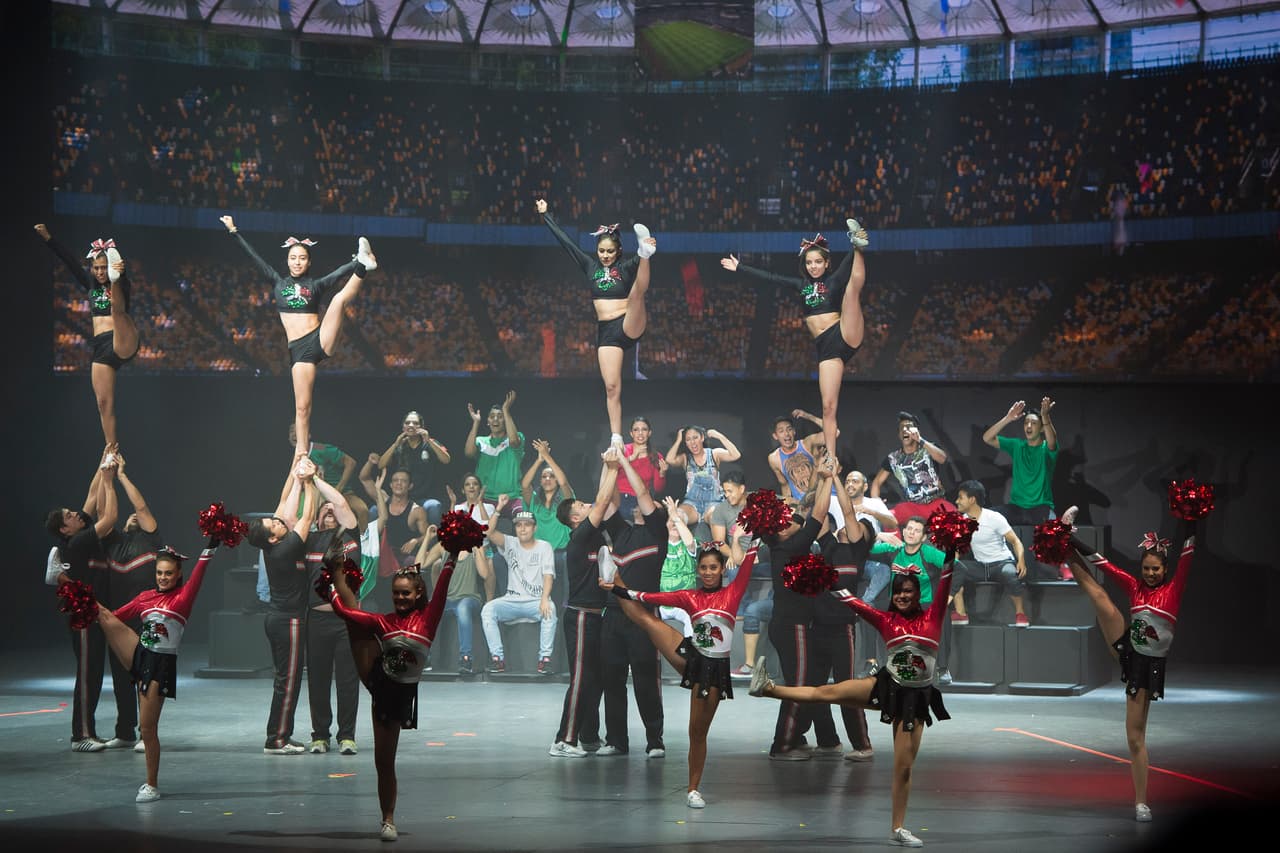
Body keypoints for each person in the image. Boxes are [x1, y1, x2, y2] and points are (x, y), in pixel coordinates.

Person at [749, 558, 955, 848]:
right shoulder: (886, 620)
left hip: (914, 700)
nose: (903, 596)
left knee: (904, 767)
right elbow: (852, 601)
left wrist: (950, 552)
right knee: (827, 693)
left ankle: (897, 828)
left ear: (917, 593)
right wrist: (825, 581)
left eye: (908, 591)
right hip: (886, 687)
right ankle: (767, 688)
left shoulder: (933, 618)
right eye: (898, 592)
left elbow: (946, 581)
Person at [601, 537, 762, 809]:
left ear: (722, 569)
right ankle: (613, 571)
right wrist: (619, 590)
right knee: (646, 619)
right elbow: (650, 598)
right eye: (703, 568)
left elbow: (747, 564)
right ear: (697, 570)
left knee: (697, 732)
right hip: (690, 656)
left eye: (713, 567)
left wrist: (756, 535)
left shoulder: (733, 593)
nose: (708, 572)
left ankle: (693, 788)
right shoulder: (691, 596)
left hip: (713, 670)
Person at [1060, 505, 1196, 823]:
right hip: (1128, 651)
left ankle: (1141, 802)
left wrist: (1191, 517)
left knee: (1135, 737)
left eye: (1155, 570)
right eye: (1146, 569)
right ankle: (1063, 546)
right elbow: (1103, 564)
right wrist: (1071, 541)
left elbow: (1188, 555)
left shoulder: (1173, 590)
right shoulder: (1134, 587)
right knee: (1102, 600)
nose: (1150, 574)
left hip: (1148, 667)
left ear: (1164, 570)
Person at [323, 541, 458, 842]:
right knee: (382, 763)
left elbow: (444, 586)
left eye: (405, 593)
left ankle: (337, 568)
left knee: (387, 760)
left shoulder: (428, 619)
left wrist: (454, 553)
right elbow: (344, 611)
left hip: (401, 696)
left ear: (418, 593)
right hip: (378, 682)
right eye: (396, 592)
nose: (399, 597)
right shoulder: (384, 621)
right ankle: (388, 820)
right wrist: (331, 585)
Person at [219, 215, 376, 456]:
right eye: (293, 258)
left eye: (302, 258)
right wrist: (233, 231)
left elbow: (338, 273)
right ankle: (302, 455)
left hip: (320, 337)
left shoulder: (316, 285)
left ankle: (365, 266)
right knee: (302, 408)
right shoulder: (277, 282)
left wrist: (356, 263)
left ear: (308, 262)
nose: (297, 262)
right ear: (287, 260)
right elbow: (254, 258)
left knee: (338, 300)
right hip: (301, 351)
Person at [722, 222, 868, 458]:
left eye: (818, 262)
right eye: (809, 262)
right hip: (827, 348)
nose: (813, 266)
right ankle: (831, 456)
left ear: (826, 263)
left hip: (845, 332)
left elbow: (846, 267)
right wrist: (741, 267)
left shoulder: (833, 281)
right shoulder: (800, 286)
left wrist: (855, 249)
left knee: (851, 292)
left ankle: (859, 244)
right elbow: (771, 277)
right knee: (828, 407)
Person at [97, 537, 222, 803]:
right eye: (159, 573)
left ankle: (151, 785)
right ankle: (63, 580)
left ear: (178, 575)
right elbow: (116, 618)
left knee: (147, 729)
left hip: (161, 664)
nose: (163, 578)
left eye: (168, 573)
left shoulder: (182, 598)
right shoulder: (145, 597)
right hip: (139, 653)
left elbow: (200, 572)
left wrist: (211, 546)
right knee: (104, 616)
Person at [536, 197, 657, 447]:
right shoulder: (589, 266)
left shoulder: (624, 267)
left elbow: (639, 286)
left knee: (636, 293)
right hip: (608, 332)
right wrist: (546, 215)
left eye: (610, 251)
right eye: (601, 251)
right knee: (612, 387)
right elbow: (566, 242)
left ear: (618, 252)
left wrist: (643, 256)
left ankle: (645, 253)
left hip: (629, 321)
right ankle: (615, 437)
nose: (605, 255)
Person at [759, 454, 838, 760]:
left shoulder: (783, 545)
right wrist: (828, 479)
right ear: (779, 531)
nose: (793, 519)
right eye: (787, 520)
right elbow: (817, 514)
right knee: (798, 686)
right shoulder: (788, 546)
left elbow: (807, 507)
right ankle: (783, 744)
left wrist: (818, 477)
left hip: (793, 624)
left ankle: (802, 736)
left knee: (805, 682)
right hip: (791, 626)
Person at [245, 456, 322, 754]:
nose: (277, 520)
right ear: (273, 537)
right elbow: (308, 515)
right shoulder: (284, 549)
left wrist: (296, 481)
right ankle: (276, 739)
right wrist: (309, 481)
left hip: (281, 618)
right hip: (287, 620)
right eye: (273, 523)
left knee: (285, 679)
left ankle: (279, 735)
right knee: (288, 680)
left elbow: (283, 504)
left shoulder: (275, 544)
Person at [596, 450, 670, 758]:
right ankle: (616, 740)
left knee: (644, 678)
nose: (642, 505)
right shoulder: (622, 532)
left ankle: (655, 740)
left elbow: (641, 491)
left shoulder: (657, 533)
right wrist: (608, 464)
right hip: (613, 615)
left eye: (648, 504)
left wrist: (624, 461)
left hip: (643, 616)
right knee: (612, 678)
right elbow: (605, 499)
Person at [36, 225, 137, 450]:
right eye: (98, 269)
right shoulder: (90, 285)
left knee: (117, 309)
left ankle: (117, 276)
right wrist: (48, 238)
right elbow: (69, 261)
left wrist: (119, 275)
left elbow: (122, 296)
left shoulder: (123, 285)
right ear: (92, 269)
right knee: (103, 403)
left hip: (122, 338)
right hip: (102, 347)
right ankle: (112, 448)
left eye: (104, 268)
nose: (100, 272)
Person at [44, 452, 120, 751]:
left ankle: (86, 731)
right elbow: (111, 517)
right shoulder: (78, 542)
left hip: (95, 614)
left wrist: (103, 460)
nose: (76, 514)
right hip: (84, 617)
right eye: (69, 516)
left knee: (94, 672)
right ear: (64, 529)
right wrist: (110, 482)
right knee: (88, 674)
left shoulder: (79, 533)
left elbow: (90, 495)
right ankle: (81, 735)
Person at [548, 454, 621, 757]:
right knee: (580, 678)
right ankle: (565, 740)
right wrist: (614, 468)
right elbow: (602, 502)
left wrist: (607, 464)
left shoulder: (595, 536)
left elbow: (605, 501)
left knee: (596, 678)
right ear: (575, 519)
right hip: (579, 616)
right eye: (580, 506)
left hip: (598, 616)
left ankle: (589, 736)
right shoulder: (578, 538)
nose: (585, 504)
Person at [99, 452, 164, 749]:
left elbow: (141, 506)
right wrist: (106, 479)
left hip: (148, 617)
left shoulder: (151, 538)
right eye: (129, 517)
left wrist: (123, 475)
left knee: (146, 675)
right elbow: (105, 514)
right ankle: (124, 731)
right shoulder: (113, 543)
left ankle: (144, 732)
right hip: (119, 616)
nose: (134, 515)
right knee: (121, 676)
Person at [812, 476, 876, 761]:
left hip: (842, 628)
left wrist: (837, 477)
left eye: (860, 529)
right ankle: (828, 740)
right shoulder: (827, 545)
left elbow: (849, 513)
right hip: (818, 625)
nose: (852, 526)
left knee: (845, 688)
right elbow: (819, 511)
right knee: (814, 688)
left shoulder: (857, 552)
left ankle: (862, 744)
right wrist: (824, 478)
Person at [304, 491, 361, 756]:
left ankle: (347, 736)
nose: (329, 511)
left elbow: (343, 506)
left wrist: (317, 481)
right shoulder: (309, 541)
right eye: (323, 510)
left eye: (333, 510)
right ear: (315, 519)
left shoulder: (350, 539)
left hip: (346, 621)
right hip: (316, 621)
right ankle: (320, 736)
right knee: (318, 679)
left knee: (348, 680)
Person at [480, 501, 558, 674]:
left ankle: (544, 660)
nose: (523, 529)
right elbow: (489, 532)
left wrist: (545, 599)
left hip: (536, 602)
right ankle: (497, 659)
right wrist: (498, 509)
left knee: (550, 609)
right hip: (512, 600)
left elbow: (548, 576)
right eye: (519, 525)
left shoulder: (544, 546)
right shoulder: (510, 543)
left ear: (535, 528)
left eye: (527, 525)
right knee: (488, 610)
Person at [415, 512, 490, 676]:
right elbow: (418, 566)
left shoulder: (475, 547)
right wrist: (427, 538)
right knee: (428, 608)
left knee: (463, 608)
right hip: (448, 600)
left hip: (470, 599)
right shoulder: (444, 546)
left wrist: (477, 548)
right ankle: (424, 657)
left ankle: (466, 658)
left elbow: (484, 574)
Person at [950, 480, 1031, 627]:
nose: (957, 501)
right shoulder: (963, 521)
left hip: (1001, 563)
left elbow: (1015, 541)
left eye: (960, 497)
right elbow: (957, 548)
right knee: (954, 570)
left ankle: (1020, 613)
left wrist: (1021, 560)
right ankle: (961, 614)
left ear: (972, 499)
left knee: (1010, 574)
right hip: (980, 566)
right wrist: (953, 563)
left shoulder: (994, 518)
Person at [981, 397, 1059, 525]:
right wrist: (1008, 419)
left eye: (1033, 423)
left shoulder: (1047, 449)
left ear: (1041, 429)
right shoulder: (1017, 446)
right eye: (1026, 422)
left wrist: (1045, 416)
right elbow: (987, 438)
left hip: (1040, 507)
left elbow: (1052, 440)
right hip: (1016, 508)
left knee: (1054, 532)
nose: (1028, 426)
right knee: (985, 519)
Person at [870, 411, 955, 527]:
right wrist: (876, 503)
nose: (905, 430)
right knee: (888, 518)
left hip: (936, 502)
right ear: (899, 435)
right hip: (912, 506)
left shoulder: (928, 448)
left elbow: (942, 458)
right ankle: (896, 545)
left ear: (917, 431)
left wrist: (921, 440)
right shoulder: (893, 458)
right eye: (901, 428)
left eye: (908, 427)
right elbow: (876, 482)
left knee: (954, 519)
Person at [521, 438, 574, 602]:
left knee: (565, 592)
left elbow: (564, 482)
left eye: (551, 476)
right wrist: (539, 460)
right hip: (540, 556)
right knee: (540, 597)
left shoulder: (565, 499)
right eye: (544, 476)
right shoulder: (534, 501)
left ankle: (567, 609)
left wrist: (547, 457)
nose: (548, 479)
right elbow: (524, 485)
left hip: (561, 554)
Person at [378, 410, 451, 525]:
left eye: (415, 423)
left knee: (434, 506)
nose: (411, 425)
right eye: (407, 423)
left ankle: (431, 542)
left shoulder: (429, 443)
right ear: (403, 427)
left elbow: (446, 459)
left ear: (422, 427)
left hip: (425, 497)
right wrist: (395, 445)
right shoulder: (400, 445)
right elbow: (381, 464)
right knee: (374, 510)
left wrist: (429, 440)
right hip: (403, 498)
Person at [664, 425, 742, 529]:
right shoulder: (685, 458)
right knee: (674, 519)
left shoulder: (714, 454)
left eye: (695, 437)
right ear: (686, 443)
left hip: (714, 503)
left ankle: (721, 545)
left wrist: (719, 436)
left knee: (716, 519)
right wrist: (679, 440)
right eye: (688, 439)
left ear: (702, 438)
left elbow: (736, 455)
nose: (692, 442)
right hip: (692, 504)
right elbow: (669, 460)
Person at [767, 411, 832, 501]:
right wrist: (786, 509)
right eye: (781, 431)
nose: (786, 434)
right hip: (804, 506)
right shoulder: (774, 458)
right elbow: (785, 485)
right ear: (775, 436)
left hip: (827, 496)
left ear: (794, 431)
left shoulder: (807, 443)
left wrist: (808, 416)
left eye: (789, 429)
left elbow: (834, 432)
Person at [616, 416, 667, 520]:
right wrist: (630, 458)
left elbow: (658, 488)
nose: (640, 433)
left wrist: (662, 474)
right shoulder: (623, 450)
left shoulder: (656, 456)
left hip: (640, 499)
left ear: (649, 433)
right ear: (631, 433)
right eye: (636, 430)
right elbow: (611, 469)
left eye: (644, 429)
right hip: (619, 497)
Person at [289, 424, 357, 495]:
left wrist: (338, 490)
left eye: (298, 431)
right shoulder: (296, 457)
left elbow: (351, 463)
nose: (294, 434)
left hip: (342, 494)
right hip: (316, 498)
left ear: (309, 435)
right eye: (291, 431)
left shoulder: (319, 448)